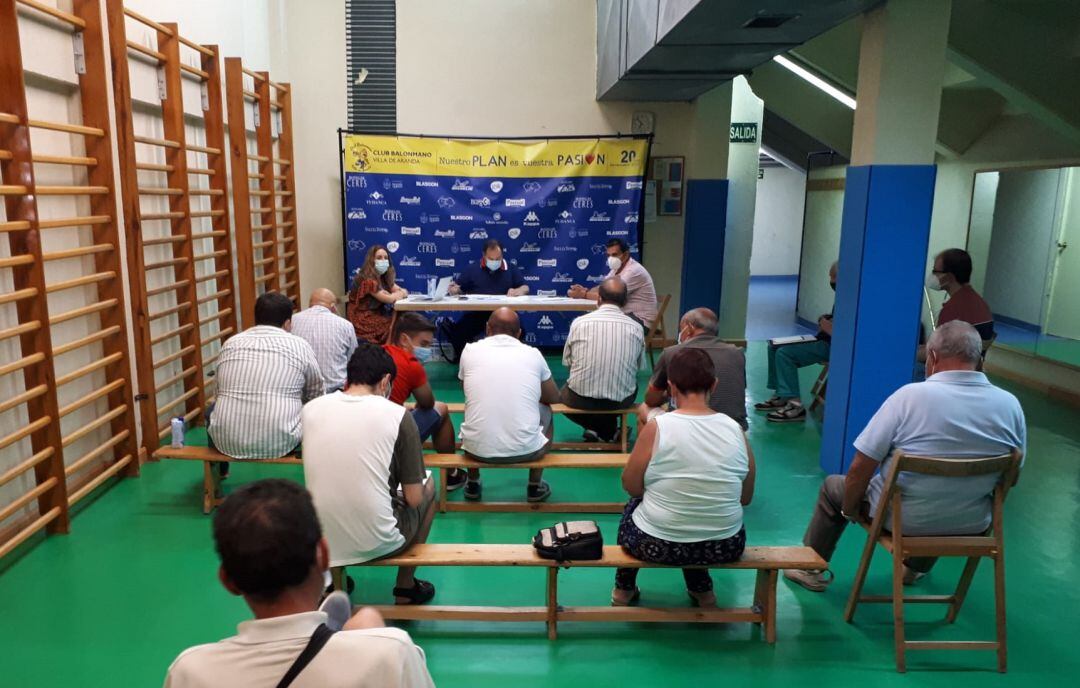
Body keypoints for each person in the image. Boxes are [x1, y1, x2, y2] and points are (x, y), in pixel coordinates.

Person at [784, 321, 1026, 593]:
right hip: (972, 522)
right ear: (979, 360)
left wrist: (850, 509)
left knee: (834, 488)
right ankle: (914, 569)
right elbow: (1011, 477)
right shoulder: (1010, 404)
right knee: (945, 493)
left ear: (932, 358)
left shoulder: (909, 398)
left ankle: (809, 567)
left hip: (905, 520)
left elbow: (860, 467)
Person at [162, 479, 434, 688]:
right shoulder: (391, 654)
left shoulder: (190, 672)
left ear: (228, 581)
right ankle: (333, 633)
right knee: (369, 622)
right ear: (324, 555)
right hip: (369, 656)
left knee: (366, 623)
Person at [612, 348, 755, 607]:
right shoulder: (736, 430)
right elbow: (745, 497)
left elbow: (630, 486)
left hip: (657, 543)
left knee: (633, 508)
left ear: (670, 387)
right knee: (698, 515)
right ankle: (703, 592)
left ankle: (623, 590)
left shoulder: (658, 427)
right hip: (725, 545)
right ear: (714, 384)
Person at [302, 344, 439, 605]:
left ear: (348, 377)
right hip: (380, 539)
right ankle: (406, 586)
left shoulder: (311, 410)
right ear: (386, 381)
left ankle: (334, 583)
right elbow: (412, 498)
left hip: (322, 538)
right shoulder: (397, 415)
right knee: (428, 487)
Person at [458, 307, 560, 503]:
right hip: (528, 452)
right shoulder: (533, 353)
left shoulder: (469, 351)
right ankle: (535, 486)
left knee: (472, 407)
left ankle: (472, 482)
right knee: (546, 410)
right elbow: (552, 396)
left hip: (476, 451)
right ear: (519, 334)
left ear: (488, 329)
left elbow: (466, 389)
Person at [208, 292, 323, 459]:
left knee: (212, 409)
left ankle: (219, 472)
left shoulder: (230, 343)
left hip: (226, 440)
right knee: (314, 407)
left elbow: (217, 392)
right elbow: (316, 393)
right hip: (283, 441)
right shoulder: (299, 345)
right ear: (288, 323)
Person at [384, 312, 467, 490]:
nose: (427, 351)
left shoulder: (379, 352)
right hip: (388, 443)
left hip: (360, 433)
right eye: (423, 344)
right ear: (404, 340)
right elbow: (428, 403)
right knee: (441, 408)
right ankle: (451, 474)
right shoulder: (411, 364)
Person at [561, 277, 645, 443]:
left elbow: (568, 365)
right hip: (621, 400)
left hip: (579, 399)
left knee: (559, 396)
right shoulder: (636, 327)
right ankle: (609, 431)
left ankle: (597, 429)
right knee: (624, 388)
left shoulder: (579, 323)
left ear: (599, 298)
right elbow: (638, 368)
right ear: (625, 301)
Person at [638, 307, 747, 431]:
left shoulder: (672, 353)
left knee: (644, 408)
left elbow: (651, 399)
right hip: (734, 427)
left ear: (689, 328)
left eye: (681, 329)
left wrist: (668, 393)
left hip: (686, 427)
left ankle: (652, 449)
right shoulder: (737, 353)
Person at [755, 261, 837, 423]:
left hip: (831, 346)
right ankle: (781, 394)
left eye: (833, 277)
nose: (831, 281)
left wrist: (826, 326)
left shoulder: (854, 299)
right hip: (823, 339)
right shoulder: (842, 297)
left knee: (785, 354)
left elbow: (842, 334)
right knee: (774, 346)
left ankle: (795, 405)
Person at [442, 239, 528, 362]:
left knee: (521, 330)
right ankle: (465, 363)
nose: (495, 262)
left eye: (498, 258)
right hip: (477, 313)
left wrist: (517, 291)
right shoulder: (472, 269)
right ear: (484, 255)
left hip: (503, 313)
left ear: (502, 255)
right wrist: (454, 290)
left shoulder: (511, 268)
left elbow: (525, 287)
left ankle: (512, 362)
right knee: (459, 333)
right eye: (491, 259)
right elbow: (459, 288)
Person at [920, 248, 995, 361]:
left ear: (949, 277)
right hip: (971, 369)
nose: (932, 275)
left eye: (935, 271)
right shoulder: (980, 303)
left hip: (951, 371)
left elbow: (936, 355)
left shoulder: (953, 310)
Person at [568, 239, 657, 330]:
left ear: (626, 255)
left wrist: (583, 294)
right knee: (592, 322)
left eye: (614, 255)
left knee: (597, 324)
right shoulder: (616, 268)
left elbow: (609, 297)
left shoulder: (633, 271)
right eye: (608, 255)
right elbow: (602, 288)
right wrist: (585, 291)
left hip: (640, 320)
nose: (611, 258)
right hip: (625, 316)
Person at [290, 288, 357, 392]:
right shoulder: (345, 325)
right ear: (333, 306)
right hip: (335, 392)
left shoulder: (292, 320)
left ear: (310, 304)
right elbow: (353, 360)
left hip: (301, 391)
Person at [347, 245, 408, 344]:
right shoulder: (368, 279)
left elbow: (403, 291)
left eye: (386, 258)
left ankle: (392, 353)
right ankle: (388, 352)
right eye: (379, 258)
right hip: (361, 319)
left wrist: (397, 294)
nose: (383, 260)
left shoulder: (384, 278)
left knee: (399, 319)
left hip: (376, 314)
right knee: (395, 325)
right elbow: (389, 299)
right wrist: (395, 295)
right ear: (371, 261)